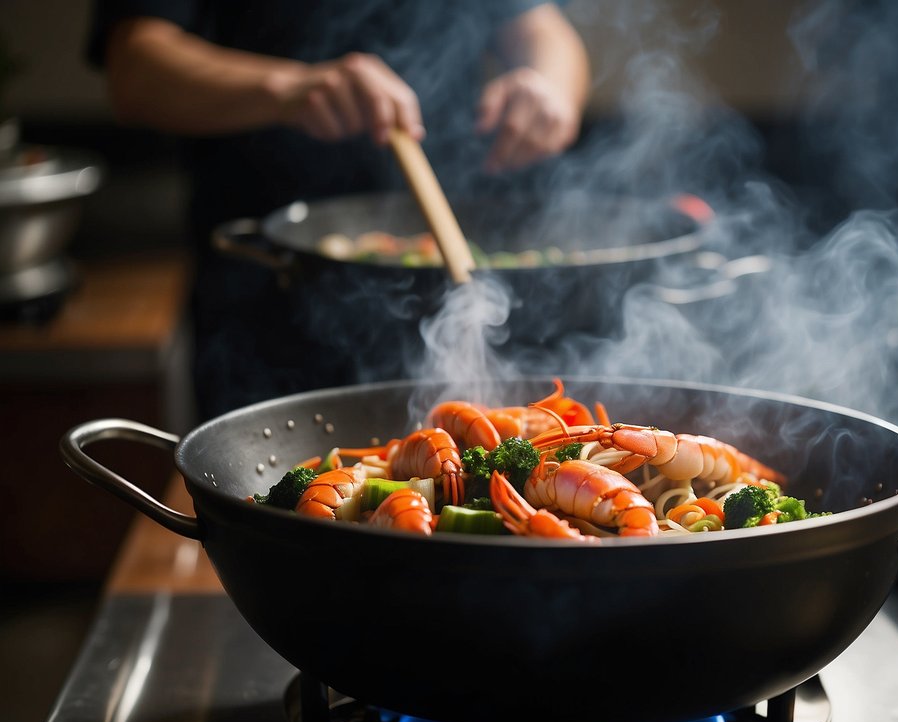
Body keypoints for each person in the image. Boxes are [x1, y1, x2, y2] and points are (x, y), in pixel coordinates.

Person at [87, 1, 590, 420]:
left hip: (464, 279)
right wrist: (285, 87)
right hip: (277, 291)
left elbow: (542, 27)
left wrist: (550, 89)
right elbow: (135, 63)